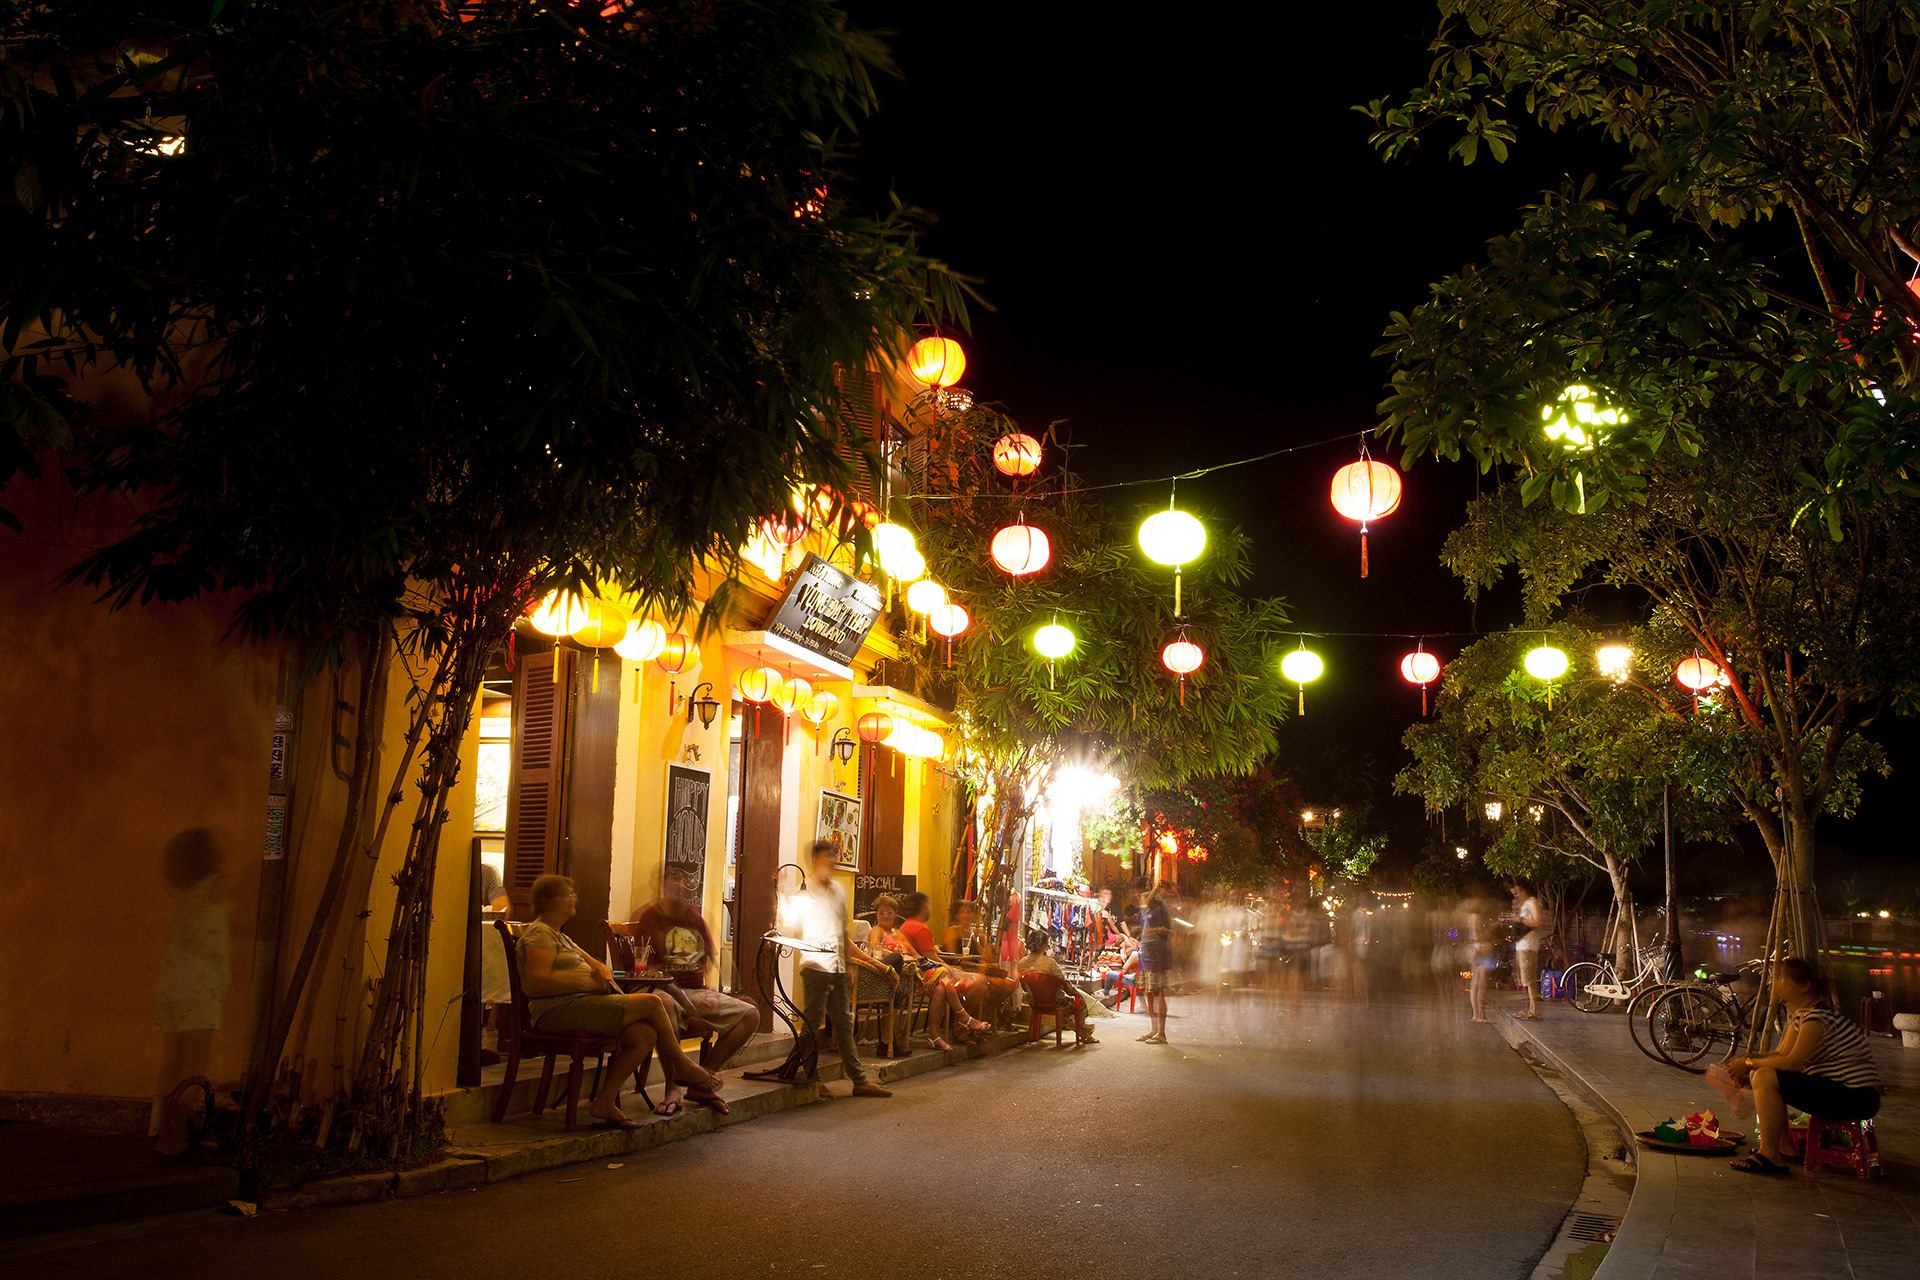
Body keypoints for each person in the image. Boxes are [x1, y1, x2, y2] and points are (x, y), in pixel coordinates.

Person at [518, 875, 722, 1126]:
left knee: (644, 1034)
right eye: (569, 895)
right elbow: (537, 982)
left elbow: (593, 962)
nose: (575, 899)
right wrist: (588, 984)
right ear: (551, 901)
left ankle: (604, 1102)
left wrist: (597, 969)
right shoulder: (540, 933)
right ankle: (682, 1064)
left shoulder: (559, 935)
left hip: (580, 1005)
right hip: (557, 1010)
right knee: (653, 1002)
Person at [1727, 958, 1884, 1175]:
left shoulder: (1817, 1017)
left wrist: (1748, 1062)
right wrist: (1747, 1059)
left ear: (1804, 986)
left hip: (1857, 1096)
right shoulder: (1804, 1014)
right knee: (1760, 1073)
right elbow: (1780, 1054)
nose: (1773, 983)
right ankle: (1784, 1147)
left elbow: (1793, 1063)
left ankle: (1770, 1155)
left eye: (1780, 978)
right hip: (1843, 1091)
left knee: (1764, 1076)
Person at [629, 866, 759, 1114]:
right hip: (662, 989)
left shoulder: (694, 917)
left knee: (750, 1014)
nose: (678, 885)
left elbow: (713, 960)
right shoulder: (649, 918)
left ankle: (702, 1079)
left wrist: (729, 992)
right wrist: (687, 1002)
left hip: (695, 992)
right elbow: (647, 969)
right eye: (671, 880)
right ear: (661, 885)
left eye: (682, 881)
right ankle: (673, 1088)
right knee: (665, 1007)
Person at [777, 842, 892, 1097]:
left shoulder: (838, 890)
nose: (831, 862)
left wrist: (848, 965)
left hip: (837, 967)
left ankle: (859, 1080)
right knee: (812, 1023)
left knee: (843, 1022)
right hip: (815, 965)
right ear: (814, 861)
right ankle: (811, 1076)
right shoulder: (805, 892)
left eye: (832, 857)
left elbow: (843, 930)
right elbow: (788, 922)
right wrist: (780, 890)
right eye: (826, 858)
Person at [895, 891, 989, 1050]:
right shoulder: (920, 928)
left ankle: (941, 1033)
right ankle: (960, 1025)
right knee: (979, 982)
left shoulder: (906, 925)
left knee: (943, 989)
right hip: (922, 976)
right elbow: (930, 959)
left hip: (917, 973)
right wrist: (952, 969)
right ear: (923, 906)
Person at [1017, 929, 1098, 1045]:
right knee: (1079, 1003)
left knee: (1064, 1010)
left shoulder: (1022, 963)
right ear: (1044, 945)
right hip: (1055, 1002)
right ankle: (1083, 1029)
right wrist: (1077, 994)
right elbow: (1065, 983)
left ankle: (1083, 1032)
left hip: (1033, 1001)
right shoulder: (1050, 963)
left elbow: (1024, 986)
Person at [1133, 876, 1173, 1044]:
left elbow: (1166, 929)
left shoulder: (1158, 908)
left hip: (1158, 954)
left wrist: (1155, 887)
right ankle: (1154, 1029)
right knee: (1149, 992)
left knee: (1158, 992)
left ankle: (1161, 1033)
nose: (1138, 896)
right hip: (1147, 953)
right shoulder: (1145, 910)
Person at [1507, 881, 1549, 1020]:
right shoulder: (1522, 904)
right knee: (1523, 978)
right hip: (1521, 944)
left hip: (1528, 944)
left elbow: (1537, 921)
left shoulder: (1532, 902)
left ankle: (1534, 1010)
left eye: (1517, 892)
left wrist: (1520, 919)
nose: (1516, 895)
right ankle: (1528, 1009)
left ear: (1524, 890)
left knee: (1529, 978)